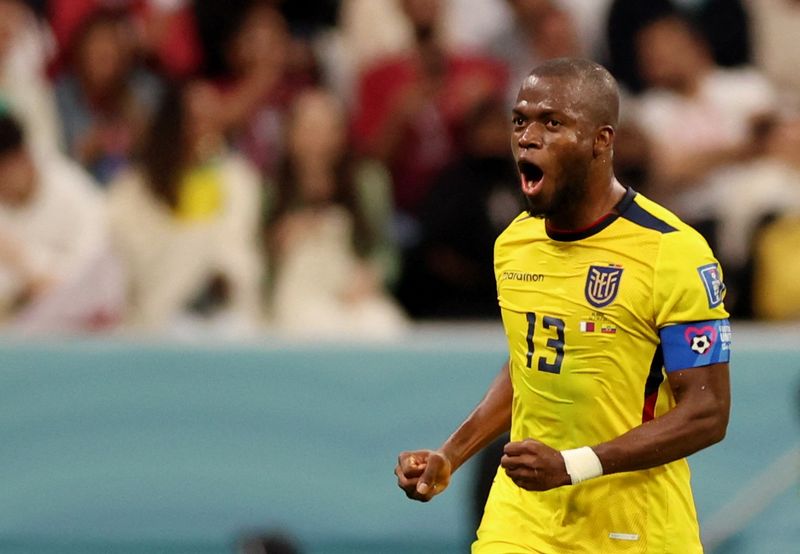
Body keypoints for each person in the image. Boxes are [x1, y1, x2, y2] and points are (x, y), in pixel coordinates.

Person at [395, 58, 732, 553]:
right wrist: (451, 453)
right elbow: (530, 368)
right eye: (520, 121)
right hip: (523, 522)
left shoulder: (672, 253)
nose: (527, 138)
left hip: (632, 528)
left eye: (552, 123)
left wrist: (572, 465)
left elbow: (707, 411)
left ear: (601, 140)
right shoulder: (514, 244)